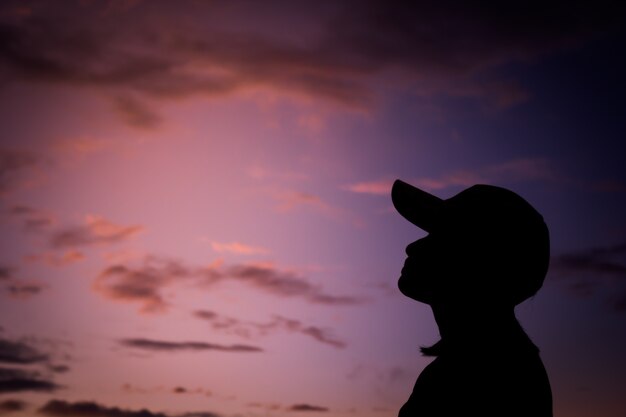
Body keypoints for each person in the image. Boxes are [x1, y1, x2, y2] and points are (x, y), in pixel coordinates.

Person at [391, 179, 552, 417]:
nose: (412, 246)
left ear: (477, 260)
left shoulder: (480, 374)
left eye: (440, 236)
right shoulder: (500, 363)